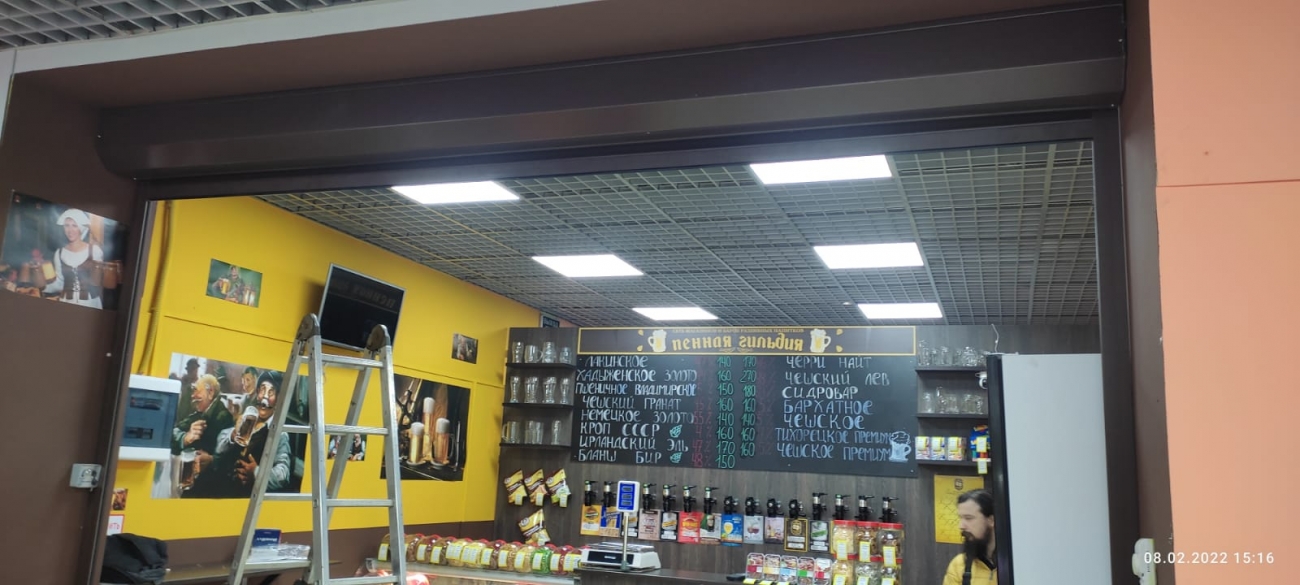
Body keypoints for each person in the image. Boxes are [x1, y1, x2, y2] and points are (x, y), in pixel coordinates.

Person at [185, 370, 294, 499]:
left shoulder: (280, 434)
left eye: (270, 392)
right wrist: (232, 436)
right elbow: (221, 446)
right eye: (262, 390)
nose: (264, 397)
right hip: (221, 484)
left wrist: (256, 473)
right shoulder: (250, 418)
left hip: (243, 497)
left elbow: (283, 475)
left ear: (278, 399)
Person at [42, 208, 105, 309]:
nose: (70, 230)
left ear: (81, 227)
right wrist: (42, 286)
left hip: (90, 303)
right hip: (66, 302)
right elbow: (59, 283)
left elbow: (100, 282)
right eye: (67, 225)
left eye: (74, 225)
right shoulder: (59, 253)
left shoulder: (94, 251)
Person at [170, 374, 235, 457]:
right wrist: (185, 438)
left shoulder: (223, 418)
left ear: (210, 392)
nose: (193, 395)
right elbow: (175, 431)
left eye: (196, 390)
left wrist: (210, 459)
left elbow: (225, 455)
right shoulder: (201, 413)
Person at [944, 489, 997, 585]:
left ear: (991, 520)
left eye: (968, 518)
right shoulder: (958, 565)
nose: (961, 526)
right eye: (961, 518)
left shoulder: (1015, 563)